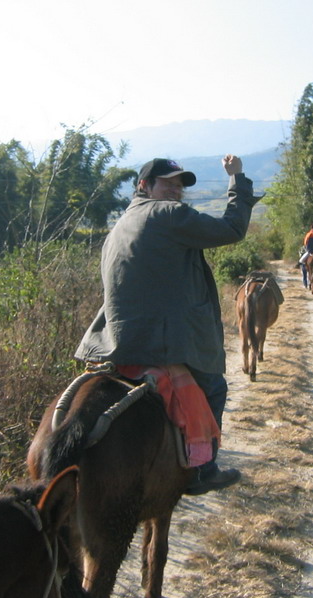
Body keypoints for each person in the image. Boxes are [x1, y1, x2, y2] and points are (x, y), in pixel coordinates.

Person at [74, 154, 260, 496]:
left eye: (180, 186)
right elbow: (231, 229)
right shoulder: (167, 214)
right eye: (168, 184)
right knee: (214, 387)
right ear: (144, 186)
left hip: (114, 341)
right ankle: (203, 469)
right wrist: (237, 179)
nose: (176, 191)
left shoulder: (122, 222)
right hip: (161, 340)